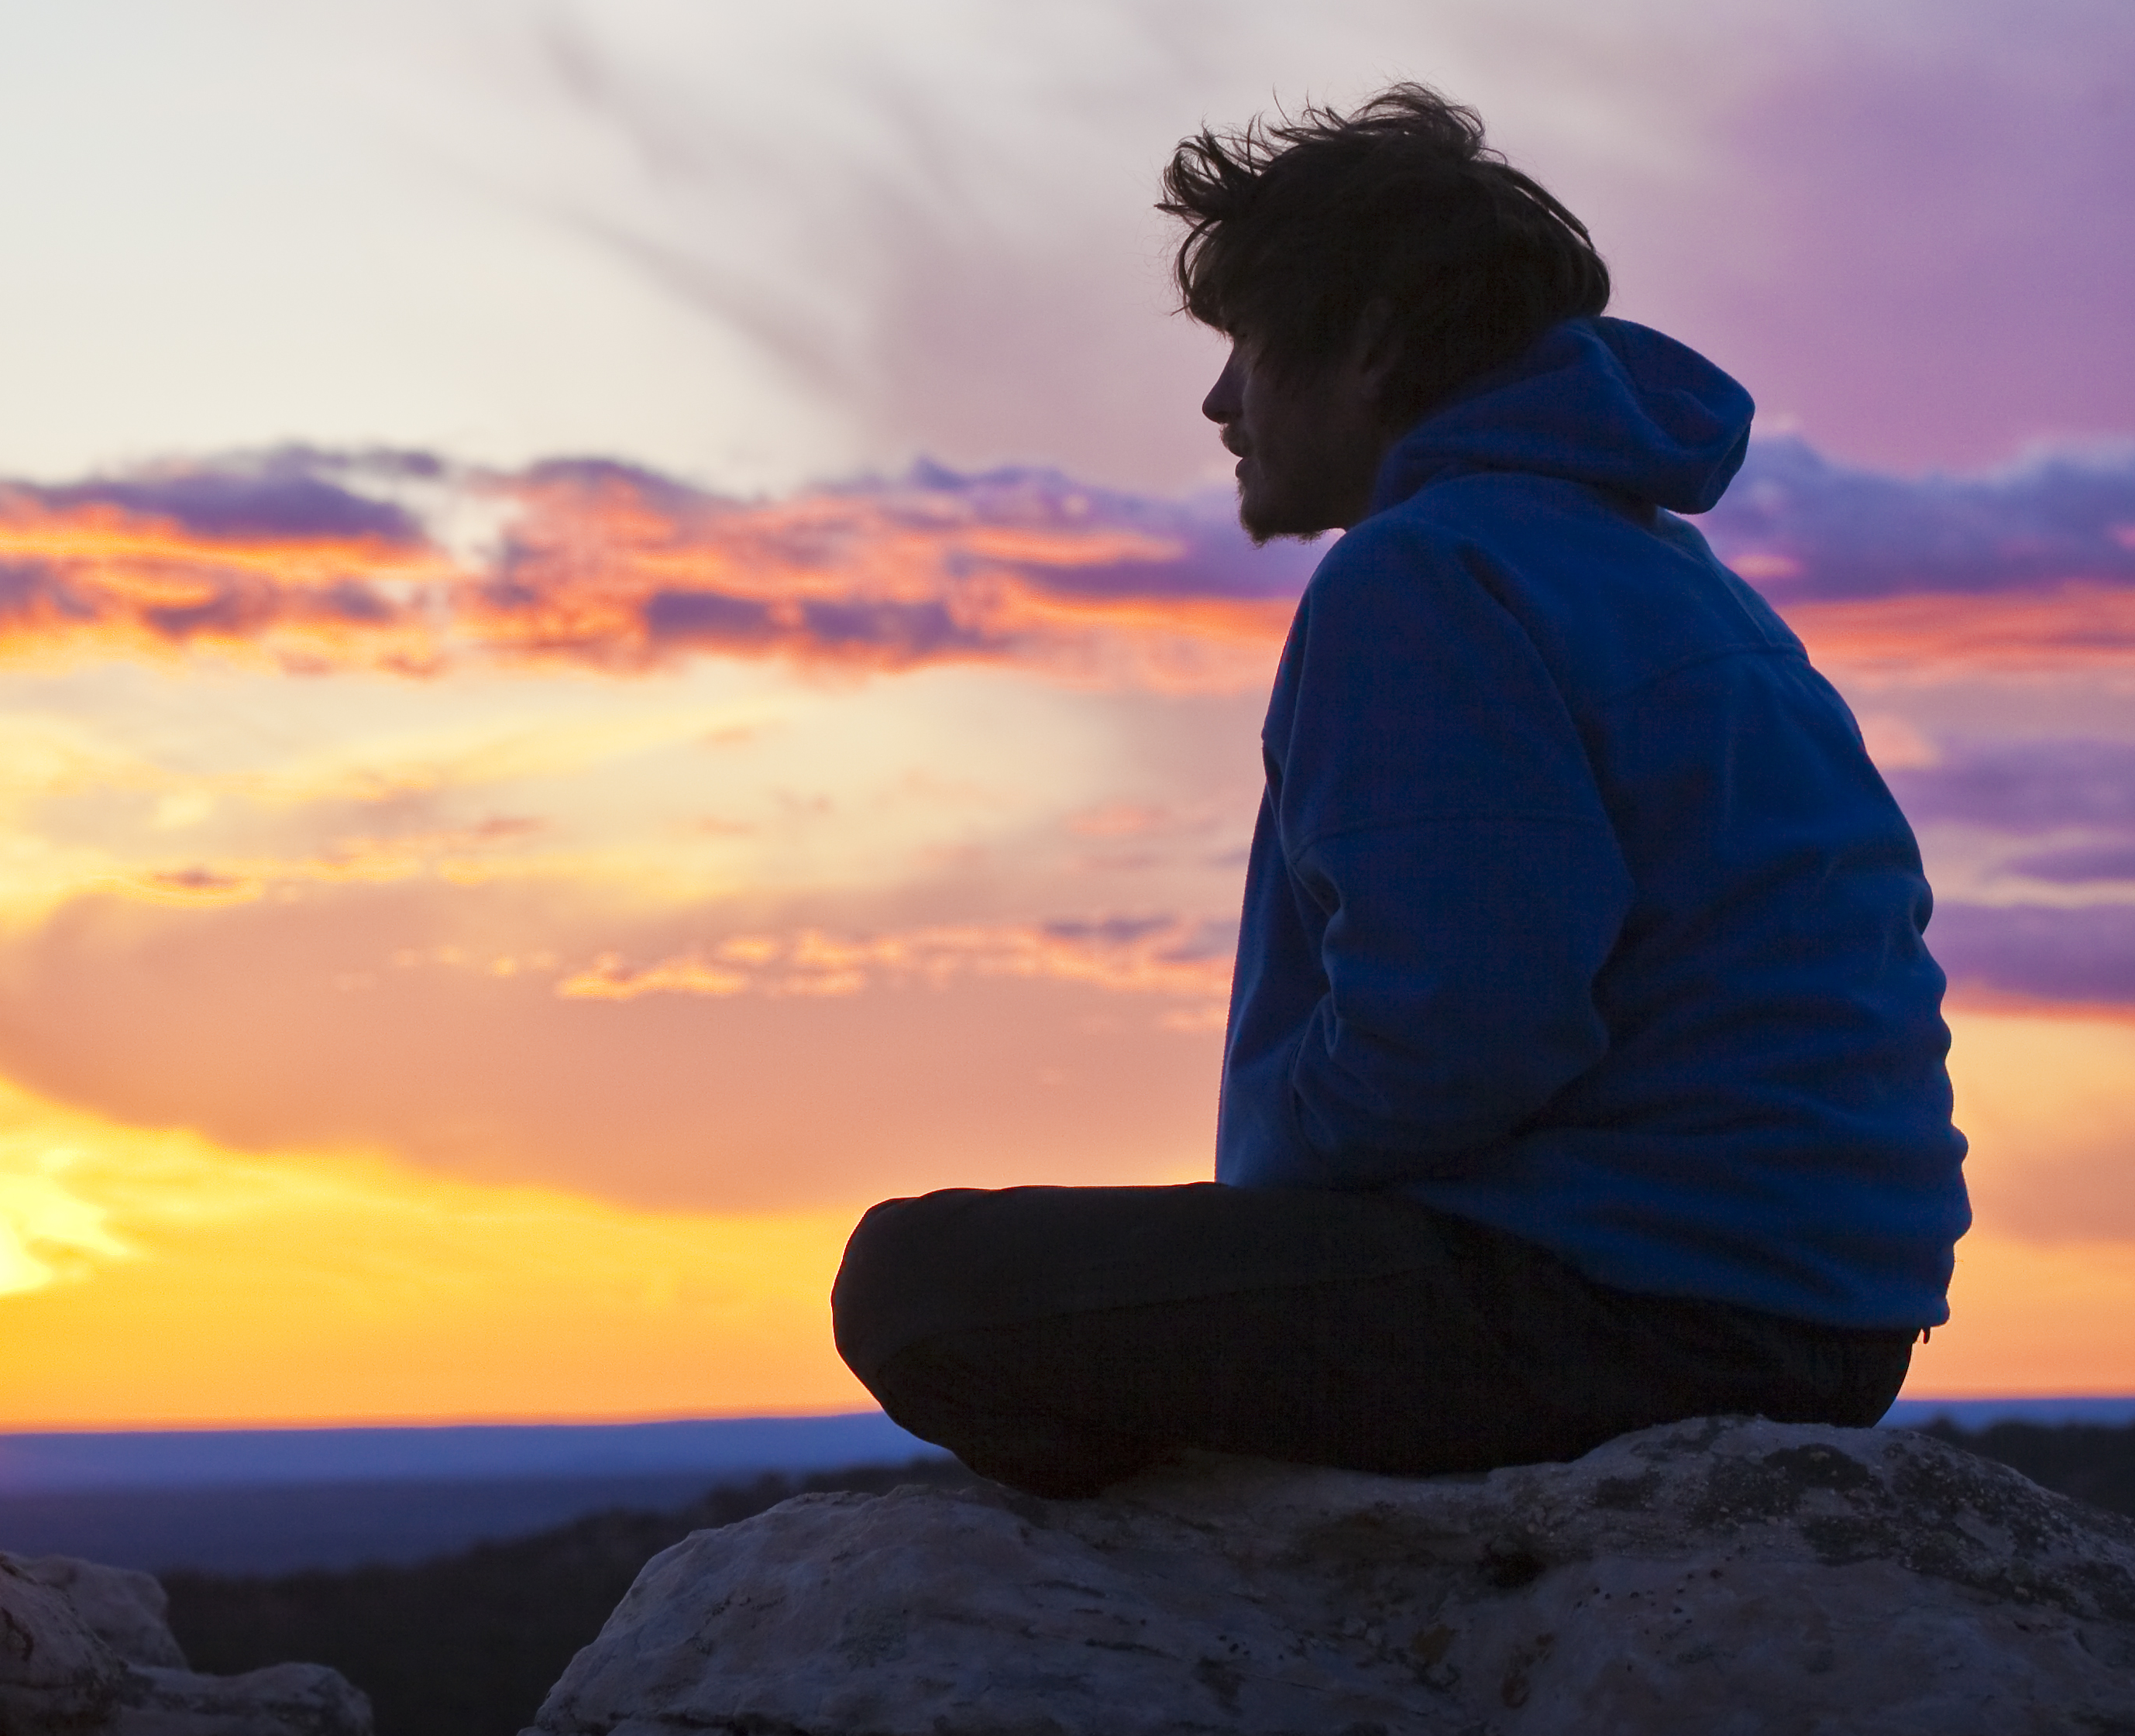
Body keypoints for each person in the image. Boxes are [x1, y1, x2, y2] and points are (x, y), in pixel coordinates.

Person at [831, 85, 1965, 1496]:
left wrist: (1276, 1205)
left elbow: (1463, 1023)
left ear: (1366, 343)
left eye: (1247, 343)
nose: (1220, 400)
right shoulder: (1648, 566)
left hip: (1632, 1307)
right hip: (1812, 1311)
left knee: (918, 1285)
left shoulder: (1427, 573)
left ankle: (1223, 1544)